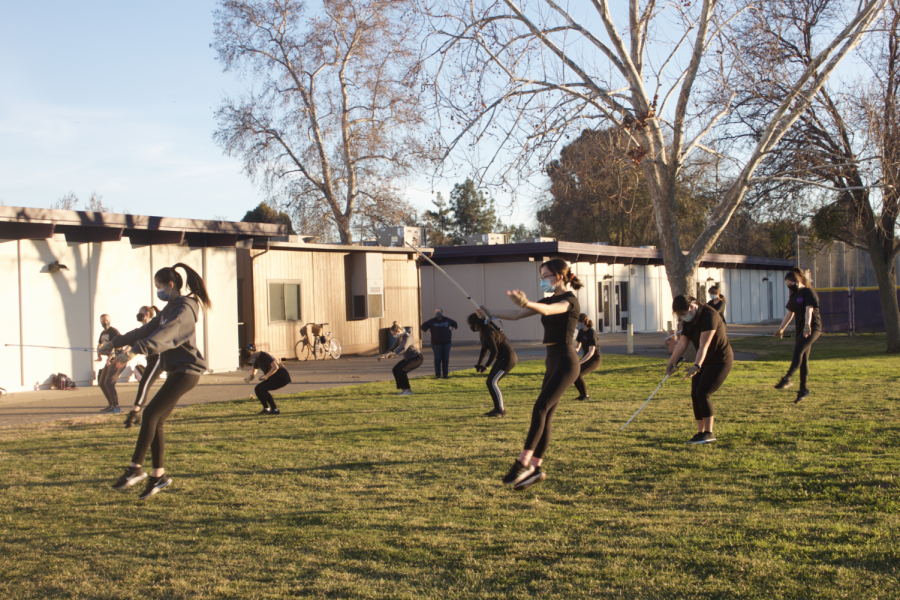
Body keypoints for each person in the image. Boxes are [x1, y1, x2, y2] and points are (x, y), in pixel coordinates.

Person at [103, 263, 212, 501]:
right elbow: (144, 331)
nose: (158, 292)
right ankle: (158, 477)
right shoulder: (167, 310)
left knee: (151, 413)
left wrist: (134, 352)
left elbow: (166, 335)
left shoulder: (183, 309)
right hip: (177, 372)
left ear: (170, 285)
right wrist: (114, 343)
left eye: (159, 287)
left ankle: (135, 469)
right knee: (157, 420)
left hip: (188, 371)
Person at [479, 258, 582, 491]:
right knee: (546, 415)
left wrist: (527, 303)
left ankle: (522, 463)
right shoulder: (550, 298)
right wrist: (489, 311)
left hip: (567, 362)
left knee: (540, 408)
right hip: (552, 361)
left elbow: (547, 310)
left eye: (546, 276)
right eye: (541, 276)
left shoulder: (569, 301)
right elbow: (517, 314)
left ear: (561, 276)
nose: (543, 280)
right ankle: (535, 468)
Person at [666, 294, 733, 445]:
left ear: (692, 306)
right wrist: (671, 363)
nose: (683, 318)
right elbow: (682, 344)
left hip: (719, 360)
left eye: (683, 314)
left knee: (703, 393)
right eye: (680, 316)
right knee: (695, 394)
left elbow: (704, 345)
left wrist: (696, 366)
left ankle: (709, 433)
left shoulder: (709, 316)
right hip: (703, 360)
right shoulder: (688, 321)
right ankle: (700, 433)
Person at [773, 267, 821, 403]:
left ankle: (787, 378)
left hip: (812, 328)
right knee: (803, 359)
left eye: (791, 285)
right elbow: (789, 313)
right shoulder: (793, 296)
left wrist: (807, 325)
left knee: (798, 352)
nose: (790, 287)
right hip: (800, 330)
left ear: (797, 281)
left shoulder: (808, 293)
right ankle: (803, 390)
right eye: (787, 286)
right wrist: (781, 329)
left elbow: (809, 310)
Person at [469, 313, 517, 417]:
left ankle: (501, 410)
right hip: (501, 358)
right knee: (489, 382)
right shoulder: (482, 333)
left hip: (508, 358)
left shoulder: (488, 332)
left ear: (476, 323)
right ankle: (496, 408)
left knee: (493, 381)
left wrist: (486, 366)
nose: (471, 327)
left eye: (471, 324)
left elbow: (494, 351)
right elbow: (484, 349)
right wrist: (479, 364)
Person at [124, 306, 162, 429]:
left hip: (159, 358)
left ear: (145, 314)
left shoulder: (153, 326)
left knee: (144, 382)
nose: (138, 315)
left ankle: (135, 412)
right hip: (151, 358)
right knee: (144, 382)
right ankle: (139, 412)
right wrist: (124, 353)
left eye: (140, 313)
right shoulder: (143, 329)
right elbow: (134, 342)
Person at [244, 350, 291, 415]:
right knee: (257, 389)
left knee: (263, 389)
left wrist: (265, 376)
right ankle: (266, 409)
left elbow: (275, 367)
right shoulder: (258, 357)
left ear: (251, 355)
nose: (249, 361)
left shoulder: (264, 355)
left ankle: (275, 410)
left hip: (282, 377)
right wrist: (252, 376)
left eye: (249, 359)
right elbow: (255, 367)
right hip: (274, 377)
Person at [381, 328, 424, 396]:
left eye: (393, 334)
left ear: (398, 331)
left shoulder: (408, 337)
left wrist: (395, 354)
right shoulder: (399, 338)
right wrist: (385, 354)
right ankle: (403, 389)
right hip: (408, 358)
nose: (393, 335)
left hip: (416, 358)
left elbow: (404, 347)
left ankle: (408, 390)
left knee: (401, 370)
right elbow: (392, 348)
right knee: (395, 369)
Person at [96, 314, 123, 414]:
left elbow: (118, 344)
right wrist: (99, 354)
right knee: (102, 383)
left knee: (109, 383)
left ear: (110, 320)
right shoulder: (103, 333)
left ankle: (116, 407)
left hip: (118, 359)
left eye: (106, 320)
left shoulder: (113, 331)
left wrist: (110, 357)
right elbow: (99, 344)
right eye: (103, 321)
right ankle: (111, 405)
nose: (105, 322)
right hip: (109, 360)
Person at [420, 307, 458, 379]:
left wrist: (450, 330)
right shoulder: (432, 321)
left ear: (442, 312)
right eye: (436, 312)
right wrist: (430, 332)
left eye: (439, 312)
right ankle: (438, 375)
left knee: (445, 358)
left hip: (447, 342)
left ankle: (445, 375)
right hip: (436, 343)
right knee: (438, 358)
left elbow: (455, 324)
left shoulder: (447, 320)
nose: (438, 313)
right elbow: (423, 327)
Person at [573, 314, 601, 401]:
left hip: (594, 359)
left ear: (582, 322)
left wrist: (580, 361)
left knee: (578, 374)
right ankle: (582, 395)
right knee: (574, 374)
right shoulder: (581, 332)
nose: (576, 325)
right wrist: (572, 354)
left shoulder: (591, 333)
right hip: (586, 357)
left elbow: (591, 352)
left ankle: (585, 396)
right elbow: (577, 347)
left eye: (577, 323)